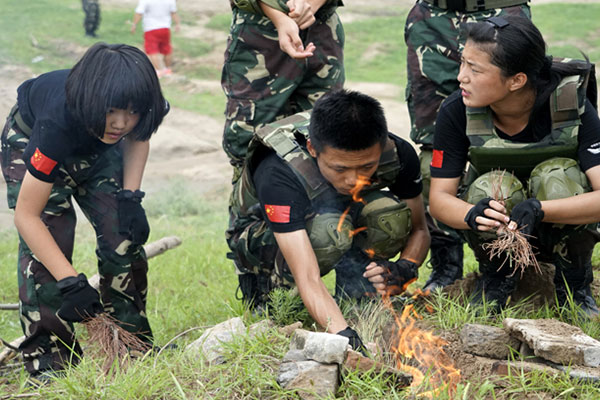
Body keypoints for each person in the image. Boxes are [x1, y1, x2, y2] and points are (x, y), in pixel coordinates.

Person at [0, 43, 168, 382]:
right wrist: (71, 282)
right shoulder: (55, 123)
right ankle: (49, 359)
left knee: (123, 237)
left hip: (97, 149)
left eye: (132, 112)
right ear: (95, 101)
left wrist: (131, 196)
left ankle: (132, 343)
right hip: (32, 142)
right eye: (114, 110)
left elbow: (138, 136)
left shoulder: (140, 109)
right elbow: (27, 217)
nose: (122, 122)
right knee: (49, 248)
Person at [227, 90, 430, 350]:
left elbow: (419, 230)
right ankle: (271, 298)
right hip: (265, 236)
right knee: (327, 231)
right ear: (312, 148)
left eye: (366, 167)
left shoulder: (398, 153)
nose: (353, 180)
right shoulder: (279, 170)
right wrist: (344, 336)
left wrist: (406, 268)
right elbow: (307, 275)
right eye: (340, 168)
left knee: (388, 213)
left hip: (340, 214)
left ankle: (359, 293)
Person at [428, 15, 600, 316]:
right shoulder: (456, 111)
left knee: (557, 177)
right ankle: (497, 279)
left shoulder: (571, 106)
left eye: (474, 69)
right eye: (463, 63)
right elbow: (439, 200)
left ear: (516, 80)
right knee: (490, 187)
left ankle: (574, 284)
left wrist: (540, 209)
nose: (461, 77)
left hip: (557, 227)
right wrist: (473, 214)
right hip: (497, 233)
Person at [404, 0, 531, 292]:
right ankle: (446, 266)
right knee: (432, 151)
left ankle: (514, 258)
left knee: (516, 145)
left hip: (501, 10)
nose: (464, 73)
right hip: (435, 15)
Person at [222, 0, 344, 180]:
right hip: (259, 32)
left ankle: (327, 207)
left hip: (322, 29)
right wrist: (279, 16)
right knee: (251, 142)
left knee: (327, 133)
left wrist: (311, 4)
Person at [131, 0, 181, 78]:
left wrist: (134, 24)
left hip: (151, 28)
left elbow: (139, 13)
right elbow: (173, 13)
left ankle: (159, 71)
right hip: (165, 28)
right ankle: (167, 70)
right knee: (167, 49)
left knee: (152, 51)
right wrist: (177, 24)